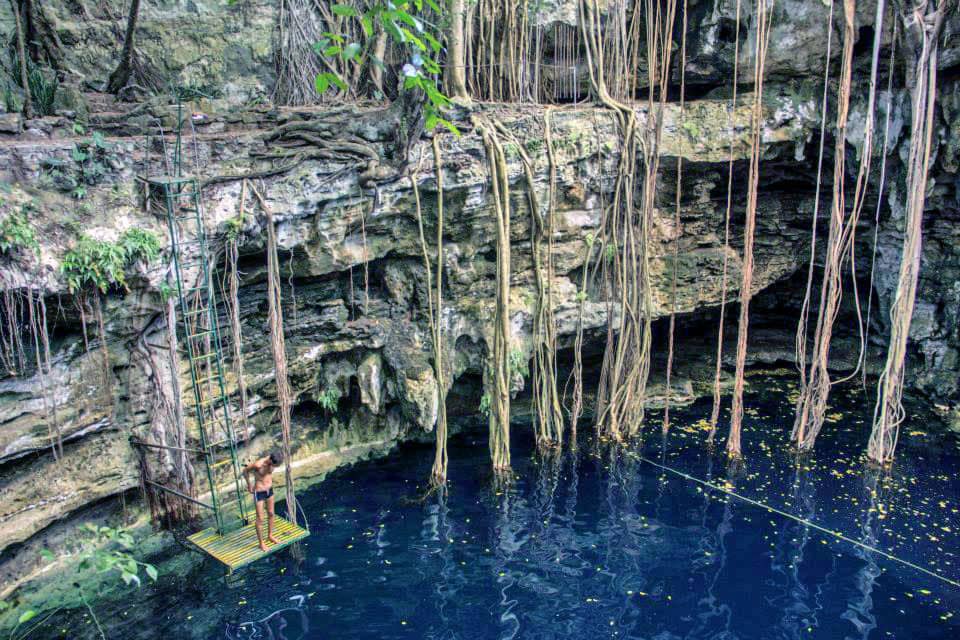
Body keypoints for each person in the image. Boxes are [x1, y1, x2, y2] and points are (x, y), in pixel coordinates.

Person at [244, 450, 283, 551]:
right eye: (276, 465)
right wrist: (249, 485)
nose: (276, 467)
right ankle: (261, 544)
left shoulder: (274, 459)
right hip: (259, 492)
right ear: (270, 460)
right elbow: (245, 471)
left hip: (269, 490)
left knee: (271, 513)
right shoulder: (258, 465)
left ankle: (270, 535)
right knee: (260, 518)